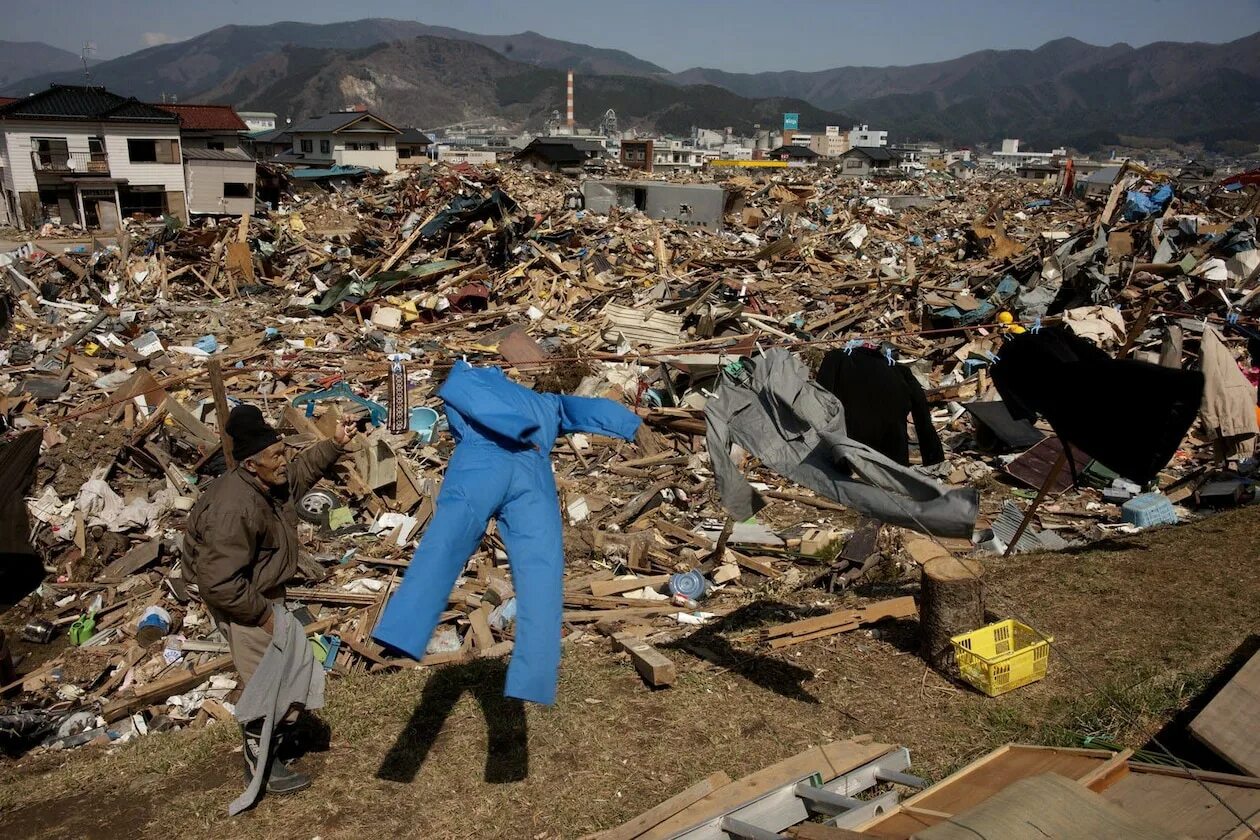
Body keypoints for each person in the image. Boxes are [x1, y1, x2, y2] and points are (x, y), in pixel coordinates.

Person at [183, 404, 356, 795]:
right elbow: (220, 583)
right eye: (275, 455)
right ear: (249, 464)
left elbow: (299, 474)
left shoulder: (265, 484)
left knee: (287, 671)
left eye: (283, 451)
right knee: (266, 682)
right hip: (243, 600)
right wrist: (262, 615)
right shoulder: (234, 508)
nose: (284, 461)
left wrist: (334, 445)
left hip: (259, 594)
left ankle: (277, 740)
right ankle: (261, 764)